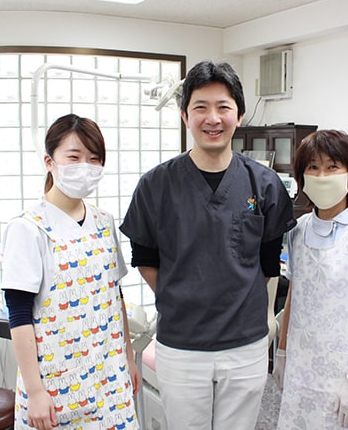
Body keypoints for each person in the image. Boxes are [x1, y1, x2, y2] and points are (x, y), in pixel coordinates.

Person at [120, 60, 297, 430]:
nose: (212, 118)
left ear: (239, 114)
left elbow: (269, 263)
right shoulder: (155, 186)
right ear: (185, 115)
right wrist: (183, 294)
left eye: (223, 107)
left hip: (245, 343)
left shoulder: (264, 185)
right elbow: (144, 258)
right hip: (182, 344)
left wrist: (262, 318)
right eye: (200, 107)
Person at [0, 114, 139, 430]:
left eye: (94, 159)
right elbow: (19, 317)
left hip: (110, 374)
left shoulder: (104, 221)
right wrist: (35, 392)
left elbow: (116, 298)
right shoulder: (29, 228)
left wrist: (128, 358)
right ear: (49, 161)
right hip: (55, 380)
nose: (85, 167)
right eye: (74, 157)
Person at [273, 129, 348, 429]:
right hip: (302, 371)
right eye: (312, 167)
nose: (321, 175)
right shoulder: (297, 231)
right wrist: (283, 351)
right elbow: (294, 297)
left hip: (345, 375)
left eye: (332, 166)